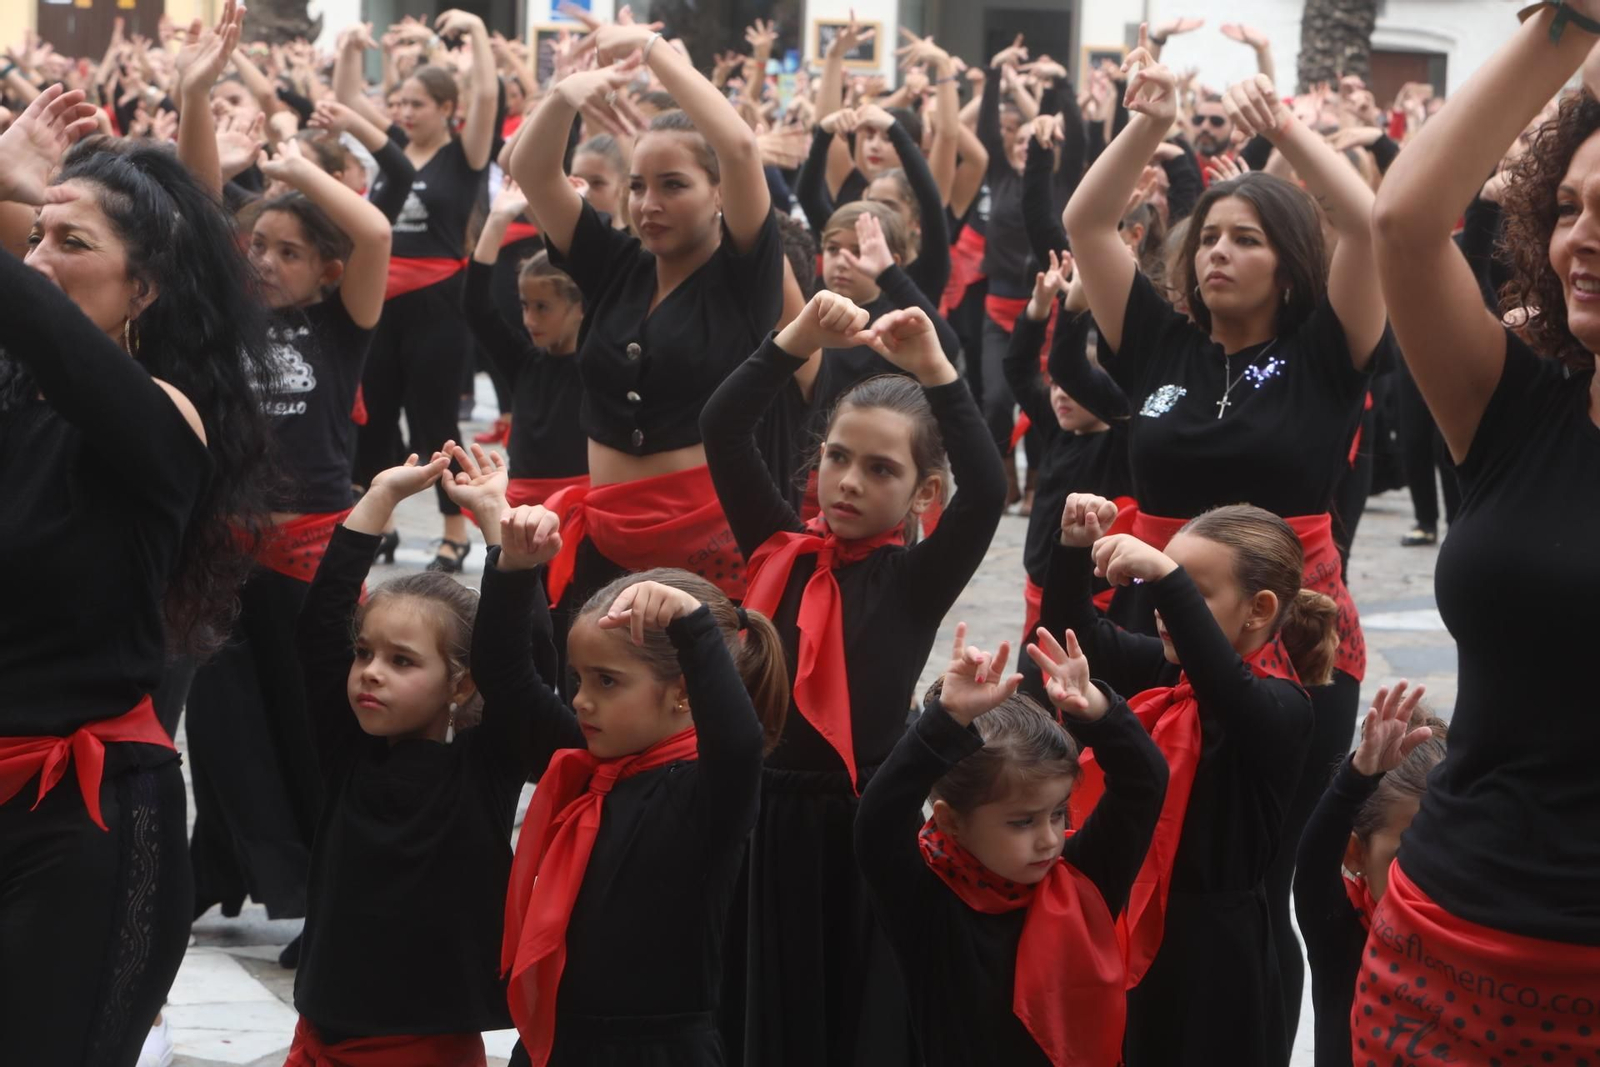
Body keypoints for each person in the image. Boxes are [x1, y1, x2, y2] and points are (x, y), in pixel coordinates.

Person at [1064, 39, 1386, 1037]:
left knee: (1252, 877)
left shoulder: (1323, 350)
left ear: (1288, 262)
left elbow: (1370, 225)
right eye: (1206, 237)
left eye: (1244, 238)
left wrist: (1283, 125)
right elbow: (1084, 219)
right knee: (1128, 849)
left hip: (1290, 650)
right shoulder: (1160, 342)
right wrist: (1148, 121)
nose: (1215, 254)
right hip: (1146, 634)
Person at [0, 84, 277, 1064]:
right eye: (33, 238)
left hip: (88, 829)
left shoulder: (164, 418)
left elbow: (44, 330)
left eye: (72, 245)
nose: (39, 262)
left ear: (145, 288)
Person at [1356, 4, 1600, 1057]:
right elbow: (1403, 222)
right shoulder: (1514, 406)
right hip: (1440, 946)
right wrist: (1573, 26)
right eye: (1569, 207)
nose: (1581, 239)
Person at [701, 294, 1006, 1065]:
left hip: (866, 823)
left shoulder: (916, 579)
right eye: (837, 457)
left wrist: (937, 368)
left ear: (923, 493)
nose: (847, 481)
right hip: (761, 815)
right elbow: (722, 426)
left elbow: (990, 489)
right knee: (756, 1004)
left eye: (880, 468)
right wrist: (798, 337)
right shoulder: (776, 547)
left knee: (855, 1012)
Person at [508, 26, 784, 650]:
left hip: (708, 541)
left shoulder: (745, 278)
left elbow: (738, 145)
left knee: (689, 704)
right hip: (606, 532)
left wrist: (653, 51)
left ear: (719, 194)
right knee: (592, 697)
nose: (648, 203)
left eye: (673, 185)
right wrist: (564, 96)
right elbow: (532, 169)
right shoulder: (612, 265)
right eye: (636, 186)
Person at [1037, 496, 1338, 1067]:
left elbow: (1226, 688)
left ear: (1259, 609)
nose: (1159, 606)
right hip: (1129, 919)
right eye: (1166, 587)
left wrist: (1165, 572)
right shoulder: (1167, 670)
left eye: (1194, 592)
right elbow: (1076, 635)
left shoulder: (1282, 707)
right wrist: (1074, 549)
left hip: (1214, 951)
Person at [185, 132, 393, 958]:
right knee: (226, 731)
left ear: (326, 271)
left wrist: (295, 171)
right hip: (225, 553)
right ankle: (219, 863)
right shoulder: (218, 321)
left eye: (290, 252)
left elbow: (374, 233)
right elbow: (193, 216)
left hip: (310, 554)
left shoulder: (342, 326)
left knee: (312, 730)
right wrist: (198, 105)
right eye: (257, 246)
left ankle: (331, 895)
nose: (266, 262)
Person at [484, 541, 786, 1065]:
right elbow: (506, 678)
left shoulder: (706, 794)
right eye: (579, 678)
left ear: (684, 693)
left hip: (657, 1052)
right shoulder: (586, 760)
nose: (580, 699)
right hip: (556, 1046)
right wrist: (513, 566)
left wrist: (693, 629)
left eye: (606, 681)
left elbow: (737, 744)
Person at [286, 445, 529, 1064]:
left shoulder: (484, 768)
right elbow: (318, 632)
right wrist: (381, 498)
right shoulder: (349, 757)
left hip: (426, 1048)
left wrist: (499, 525)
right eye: (365, 653)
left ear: (463, 682)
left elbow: (518, 667)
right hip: (320, 1039)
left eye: (401, 661)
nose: (370, 673)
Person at [855, 621, 1168, 1066]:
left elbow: (1145, 782)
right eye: (1021, 822)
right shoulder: (929, 903)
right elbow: (877, 821)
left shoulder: (1083, 879)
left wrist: (1095, 709)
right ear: (951, 822)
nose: (1048, 840)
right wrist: (942, 724)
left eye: (1058, 814)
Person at [348, 9, 497, 573]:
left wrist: (477, 33)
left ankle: (455, 532)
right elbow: (342, 97)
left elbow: (486, 95)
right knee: (375, 416)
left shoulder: (464, 156)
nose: (405, 113)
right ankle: (376, 522)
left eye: (418, 105)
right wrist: (353, 49)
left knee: (435, 423)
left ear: (445, 110)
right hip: (379, 301)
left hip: (439, 303)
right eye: (400, 104)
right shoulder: (392, 148)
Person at [1293, 681, 1443, 1067]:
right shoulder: (1341, 931)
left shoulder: (1461, 931)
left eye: (1444, 852)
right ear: (1356, 853)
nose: (1426, 875)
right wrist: (1357, 777)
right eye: (1405, 853)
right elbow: (1312, 864)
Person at [466, 182, 587, 508]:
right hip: (522, 507)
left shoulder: (597, 363)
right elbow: (476, 307)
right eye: (524, 306)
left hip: (577, 505)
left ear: (580, 307)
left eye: (542, 307)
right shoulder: (523, 362)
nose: (529, 320)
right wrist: (498, 219)